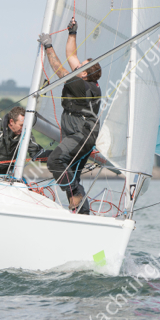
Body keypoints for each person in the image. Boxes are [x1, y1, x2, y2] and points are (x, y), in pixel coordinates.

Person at [38, 18, 102, 214]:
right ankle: (82, 213)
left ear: (85, 74)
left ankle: (75, 195)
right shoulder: (84, 78)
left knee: (55, 161)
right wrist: (72, 33)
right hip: (80, 133)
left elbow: (60, 70)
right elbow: (71, 55)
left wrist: (48, 46)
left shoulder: (81, 85)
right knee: (71, 173)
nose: (77, 65)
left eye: (81, 66)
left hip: (81, 133)